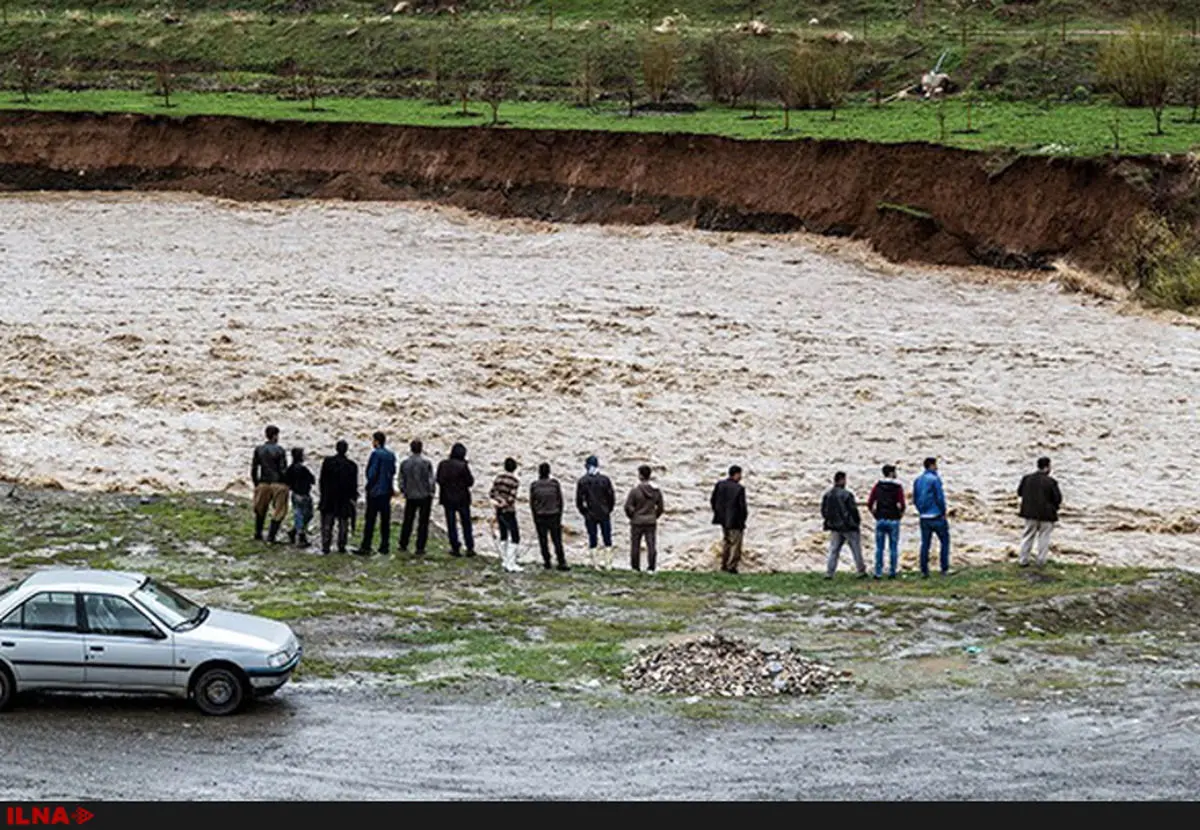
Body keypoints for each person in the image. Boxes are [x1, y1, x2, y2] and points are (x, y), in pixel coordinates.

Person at [355, 431, 397, 557]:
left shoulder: (375, 454)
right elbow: (393, 471)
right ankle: (385, 546)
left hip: (375, 492)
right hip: (387, 491)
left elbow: (371, 473)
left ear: (377, 441)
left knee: (370, 520)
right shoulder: (391, 455)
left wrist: (369, 484)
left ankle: (366, 545)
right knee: (385, 520)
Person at [1017, 456, 1063, 568]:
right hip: (1047, 514)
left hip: (1029, 513)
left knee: (1027, 536)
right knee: (1044, 537)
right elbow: (1058, 498)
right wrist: (1054, 507)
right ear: (1047, 467)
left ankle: (1023, 560)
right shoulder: (1051, 482)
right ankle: (1041, 561)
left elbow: (1019, 492)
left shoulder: (1026, 479)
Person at [821, 471, 866, 579]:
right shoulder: (847, 494)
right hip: (848, 526)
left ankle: (829, 572)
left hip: (834, 527)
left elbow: (824, 511)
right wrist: (856, 523)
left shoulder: (827, 495)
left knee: (834, 550)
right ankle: (861, 570)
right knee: (856, 549)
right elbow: (853, 510)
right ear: (841, 480)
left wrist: (829, 521)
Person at [575, 455, 616, 569]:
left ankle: (595, 563)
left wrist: (584, 512)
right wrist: (608, 509)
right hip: (604, 513)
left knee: (592, 537)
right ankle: (608, 564)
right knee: (607, 538)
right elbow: (611, 497)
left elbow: (579, 500)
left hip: (590, 513)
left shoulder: (583, 481)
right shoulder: (605, 480)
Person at [318, 440, 358, 555]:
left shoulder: (328, 462)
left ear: (336, 449)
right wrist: (353, 498)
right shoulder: (352, 465)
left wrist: (322, 495)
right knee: (343, 523)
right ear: (346, 450)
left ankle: (326, 545)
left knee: (327, 523)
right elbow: (353, 485)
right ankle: (341, 545)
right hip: (344, 498)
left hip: (329, 496)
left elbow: (322, 480)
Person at [913, 456, 951, 577]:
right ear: (931, 466)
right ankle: (944, 568)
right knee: (944, 542)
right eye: (935, 465)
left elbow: (915, 498)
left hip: (924, 517)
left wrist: (920, 510)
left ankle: (924, 570)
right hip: (936, 515)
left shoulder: (918, 480)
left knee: (925, 544)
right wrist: (943, 511)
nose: (937, 467)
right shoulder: (935, 479)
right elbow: (939, 497)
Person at [251, 425, 290, 544]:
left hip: (263, 482)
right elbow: (283, 469)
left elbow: (254, 468)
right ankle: (271, 536)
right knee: (279, 510)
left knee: (260, 509)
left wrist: (256, 483)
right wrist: (287, 483)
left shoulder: (259, 449)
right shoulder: (280, 450)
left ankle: (258, 533)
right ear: (275, 436)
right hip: (278, 483)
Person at [437, 442, 476, 557]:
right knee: (466, 524)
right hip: (462, 499)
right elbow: (470, 482)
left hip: (447, 499)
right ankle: (469, 547)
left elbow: (439, 480)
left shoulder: (443, 464)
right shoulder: (463, 466)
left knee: (451, 524)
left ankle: (455, 547)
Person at [867, 464, 906, 579]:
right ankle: (892, 571)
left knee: (879, 548)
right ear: (891, 473)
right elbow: (902, 504)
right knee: (893, 547)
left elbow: (870, 503)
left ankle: (878, 572)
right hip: (893, 519)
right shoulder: (898, 487)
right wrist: (900, 515)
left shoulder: (877, 486)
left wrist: (875, 514)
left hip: (881, 518)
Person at [398, 439, 436, 558]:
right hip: (424, 496)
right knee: (423, 523)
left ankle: (403, 544)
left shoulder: (405, 463)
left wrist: (404, 491)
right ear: (421, 448)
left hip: (410, 496)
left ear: (411, 449)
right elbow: (431, 480)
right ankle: (420, 547)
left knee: (407, 521)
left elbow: (401, 480)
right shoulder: (426, 463)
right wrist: (431, 492)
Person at [624, 465, 664, 573]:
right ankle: (651, 568)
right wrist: (654, 516)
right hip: (651, 521)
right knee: (651, 545)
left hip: (637, 521)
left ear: (640, 476)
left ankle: (635, 567)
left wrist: (632, 516)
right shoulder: (656, 491)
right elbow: (661, 508)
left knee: (635, 545)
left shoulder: (635, 491)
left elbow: (628, 507)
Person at [530, 462, 569, 571]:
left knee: (543, 541)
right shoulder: (554, 484)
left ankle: (547, 561)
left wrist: (535, 517)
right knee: (557, 540)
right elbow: (560, 501)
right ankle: (561, 561)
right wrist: (559, 515)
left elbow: (532, 503)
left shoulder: (534, 485)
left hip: (540, 516)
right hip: (554, 515)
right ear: (549, 472)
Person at [710, 465, 748, 574]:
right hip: (735, 521)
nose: (741, 477)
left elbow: (713, 500)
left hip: (723, 519)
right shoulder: (739, 488)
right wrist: (743, 520)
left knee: (726, 542)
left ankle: (724, 565)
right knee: (736, 544)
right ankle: (732, 567)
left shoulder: (720, 485)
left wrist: (718, 513)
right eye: (740, 474)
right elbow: (742, 507)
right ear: (736, 474)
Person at [490, 457, 523, 572]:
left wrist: (498, 502)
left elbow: (492, 492)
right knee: (515, 536)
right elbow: (511, 498)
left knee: (503, 534)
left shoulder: (498, 478)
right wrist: (504, 503)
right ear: (514, 468)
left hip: (498, 510)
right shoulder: (514, 481)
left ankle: (504, 560)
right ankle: (511, 563)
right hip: (509, 511)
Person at [283, 447, 316, 548]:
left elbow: (286, 481)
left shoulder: (290, 468)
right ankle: (301, 537)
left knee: (299, 515)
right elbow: (313, 480)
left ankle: (294, 532)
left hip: (295, 494)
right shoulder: (303, 469)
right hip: (304, 494)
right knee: (307, 515)